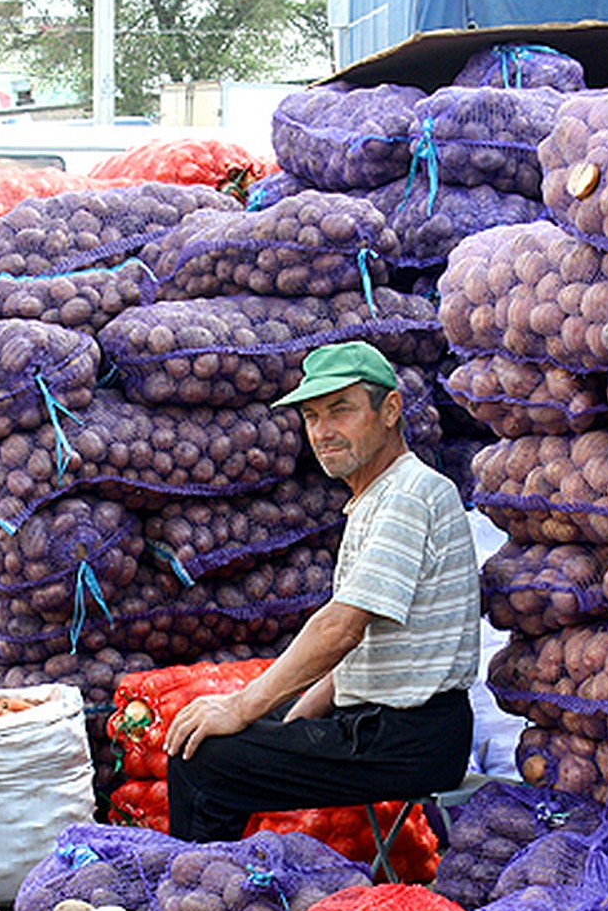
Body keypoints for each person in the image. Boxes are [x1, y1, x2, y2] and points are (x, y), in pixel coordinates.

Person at [165, 339, 480, 842]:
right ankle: (213, 890)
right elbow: (368, 640)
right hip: (384, 729)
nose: (323, 432)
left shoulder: (407, 497)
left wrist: (244, 707)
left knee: (203, 757)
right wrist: (296, 713)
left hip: (407, 737)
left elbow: (341, 628)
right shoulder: (379, 497)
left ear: (390, 410)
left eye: (341, 411)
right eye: (312, 417)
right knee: (212, 742)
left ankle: (202, 900)